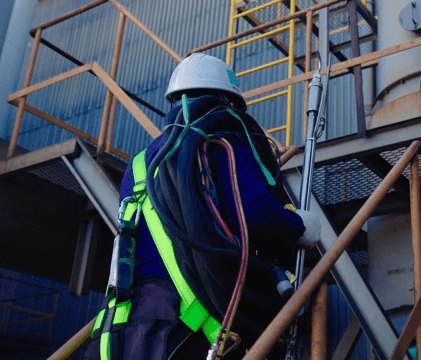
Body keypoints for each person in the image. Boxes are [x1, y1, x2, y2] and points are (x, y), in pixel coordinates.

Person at [84, 53, 321, 360]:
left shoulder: (140, 163)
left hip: (128, 328)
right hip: (192, 323)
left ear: (172, 101)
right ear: (229, 101)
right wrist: (299, 226)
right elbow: (256, 214)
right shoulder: (228, 141)